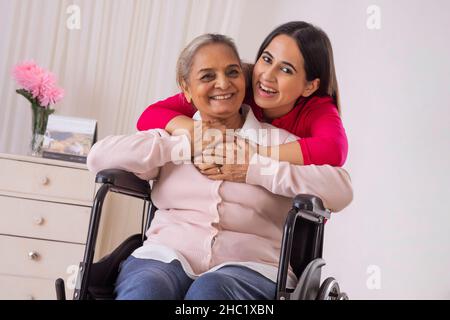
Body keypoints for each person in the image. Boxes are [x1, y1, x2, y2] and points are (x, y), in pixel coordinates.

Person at [87, 33, 353, 300]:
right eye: (207, 76)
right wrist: (185, 145)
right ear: (186, 88)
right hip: (162, 256)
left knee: (210, 292)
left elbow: (341, 190)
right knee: (147, 290)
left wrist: (254, 167)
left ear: (244, 80)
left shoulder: (279, 142)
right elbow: (97, 158)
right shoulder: (170, 136)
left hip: (253, 267)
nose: (223, 84)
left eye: (232, 72)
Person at [136, 21, 347, 181]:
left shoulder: (318, 109)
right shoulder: (237, 84)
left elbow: (334, 150)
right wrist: (197, 131)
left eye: (285, 69)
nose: (267, 75)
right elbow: (150, 115)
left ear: (310, 86)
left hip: (283, 212)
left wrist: (252, 155)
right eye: (266, 59)